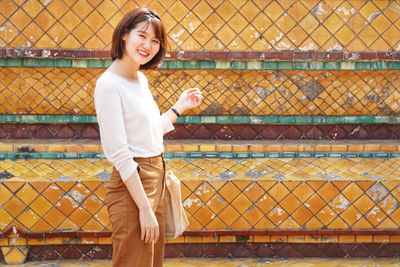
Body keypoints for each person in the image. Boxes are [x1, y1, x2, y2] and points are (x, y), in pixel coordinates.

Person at [93, 7, 202, 267]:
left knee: (151, 263)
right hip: (134, 185)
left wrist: (179, 107)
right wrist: (144, 208)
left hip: (157, 177)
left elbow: (149, 131)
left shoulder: (140, 80)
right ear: (124, 35)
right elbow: (120, 152)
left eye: (155, 41)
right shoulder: (109, 85)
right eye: (142, 36)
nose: (148, 45)